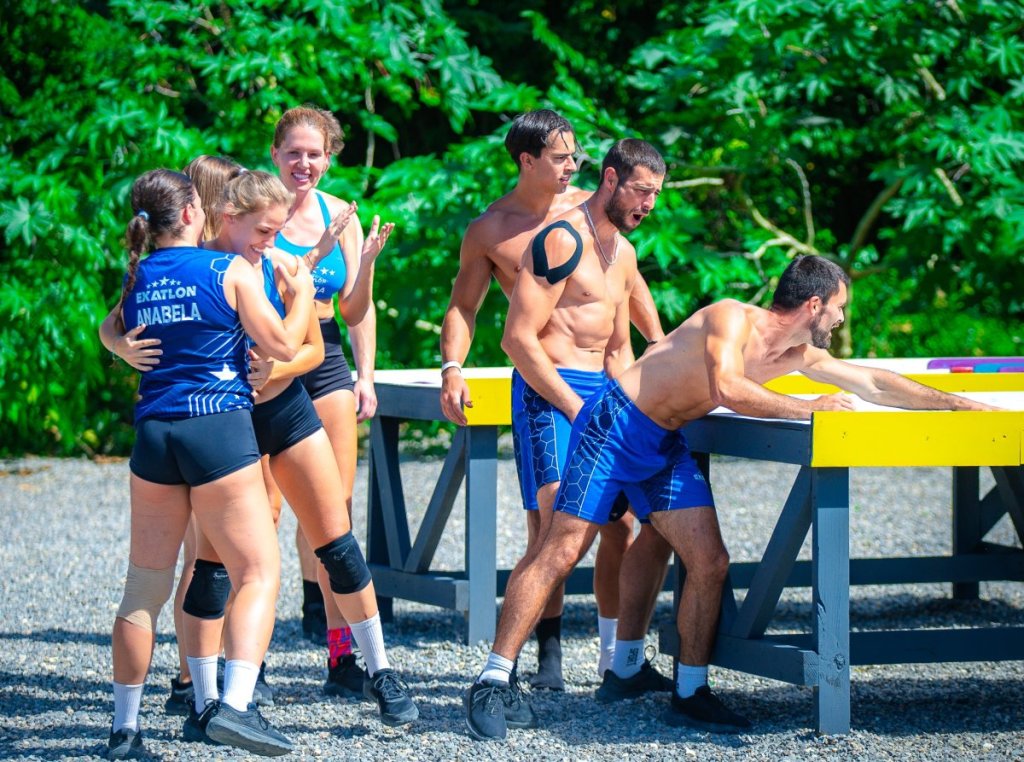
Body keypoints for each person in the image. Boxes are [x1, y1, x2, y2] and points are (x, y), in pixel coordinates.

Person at [463, 254, 997, 741]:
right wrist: (810, 408)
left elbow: (872, 384)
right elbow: (728, 388)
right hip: (613, 427)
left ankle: (688, 691)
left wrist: (957, 405)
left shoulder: (796, 352)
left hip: (662, 443)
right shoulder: (731, 317)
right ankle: (492, 681)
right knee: (560, 551)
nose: (840, 319)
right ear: (814, 305)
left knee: (711, 561)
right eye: (838, 308)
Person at [175, 169, 416, 745]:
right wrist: (122, 345)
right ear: (228, 218)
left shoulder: (284, 267)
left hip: (286, 411)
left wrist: (276, 366)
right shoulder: (201, 267)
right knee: (213, 561)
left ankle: (380, 671)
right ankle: (204, 698)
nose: (273, 241)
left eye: (279, 230)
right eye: (264, 230)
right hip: (226, 421)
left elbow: (311, 350)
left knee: (337, 542)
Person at [440, 110, 671, 692]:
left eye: (576, 156)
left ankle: (615, 659)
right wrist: (452, 367)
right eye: (563, 157)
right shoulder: (492, 229)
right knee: (552, 527)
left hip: (602, 382)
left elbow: (625, 292)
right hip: (546, 384)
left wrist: (662, 355)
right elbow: (465, 306)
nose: (573, 166)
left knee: (619, 526)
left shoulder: (596, 216)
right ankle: (538, 657)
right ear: (528, 160)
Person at [99, 168, 314, 758]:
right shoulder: (229, 270)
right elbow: (282, 345)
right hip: (215, 426)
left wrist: (116, 347)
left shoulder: (138, 273)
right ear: (193, 212)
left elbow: (109, 328)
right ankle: (235, 708)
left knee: (143, 588)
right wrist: (300, 295)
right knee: (257, 572)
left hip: (155, 432)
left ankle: (124, 731)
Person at [270, 106, 379, 694]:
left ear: (329, 159)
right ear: (275, 155)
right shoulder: (257, 209)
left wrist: (366, 376)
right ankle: (248, 660)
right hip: (273, 357)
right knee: (265, 511)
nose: (304, 163)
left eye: (314, 154)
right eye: (294, 152)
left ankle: (342, 656)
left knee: (336, 510)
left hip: (328, 354)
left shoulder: (342, 214)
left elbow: (359, 305)